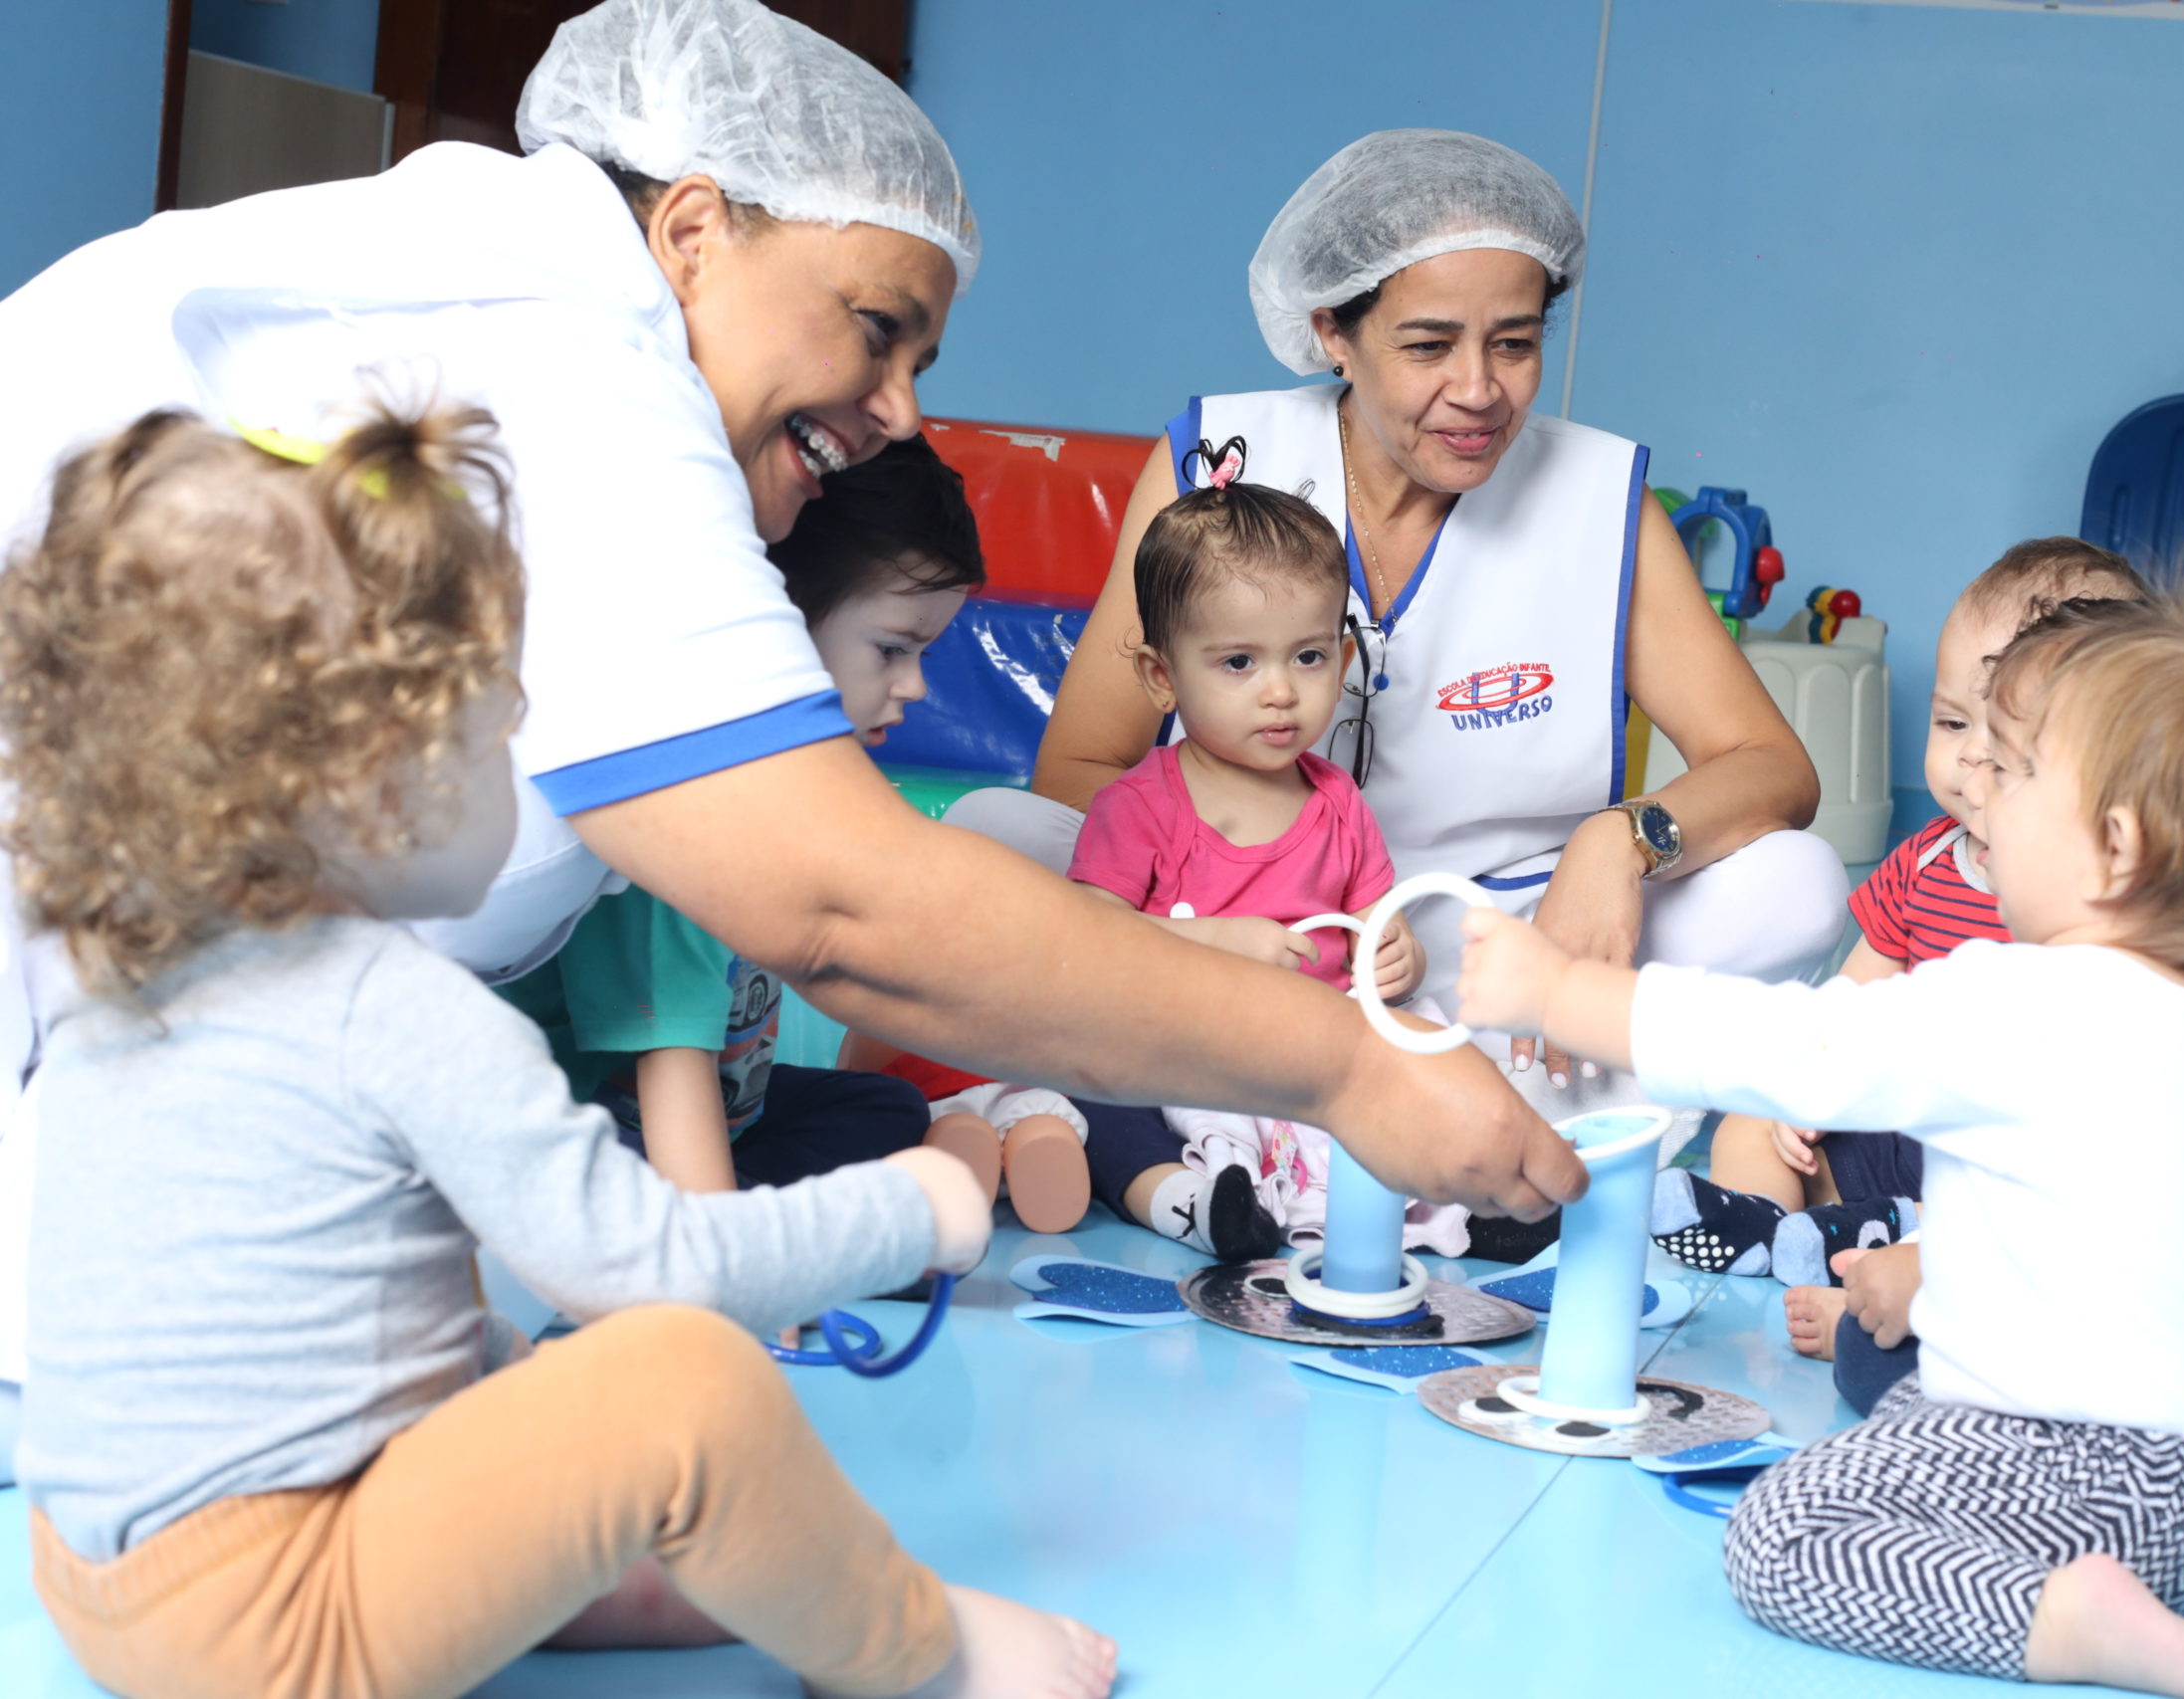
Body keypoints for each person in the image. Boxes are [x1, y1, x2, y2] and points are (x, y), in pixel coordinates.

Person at [0, 0, 1587, 1404]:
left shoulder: (489, 283)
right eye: (876, 329)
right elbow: (837, 905)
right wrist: (1345, 1065)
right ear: (694, 228)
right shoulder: (577, 362)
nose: (898, 410)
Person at [2, 404, 1115, 1699]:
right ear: (380, 773)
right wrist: (909, 1210)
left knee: (492, 1343)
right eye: (502, 728)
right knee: (688, 1376)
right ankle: (918, 1654)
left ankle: (577, 1586)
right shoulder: (388, 1006)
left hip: (100, 1587)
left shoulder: (120, 983)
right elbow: (656, 1275)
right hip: (277, 1621)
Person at [1453, 590, 2184, 1694]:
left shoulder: (2021, 1002)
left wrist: (1560, 991)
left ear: (2117, 848)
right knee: (1908, 1396)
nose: (1979, 793)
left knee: (1781, 1533)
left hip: (2069, 1482)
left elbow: (1784, 1044)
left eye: (2018, 772)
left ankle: (2067, 1622)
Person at [951, 127, 1847, 1224]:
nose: (1479, 390)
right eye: (1429, 345)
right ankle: (1416, 1122)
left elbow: (1773, 769)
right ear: (1332, 331)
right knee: (992, 834)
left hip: (1499, 953)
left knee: (1797, 883)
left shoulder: (1597, 495)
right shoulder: (1218, 459)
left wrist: (1616, 843)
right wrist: (1236, 893)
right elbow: (1080, 766)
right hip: (1248, 934)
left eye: (1514, 344)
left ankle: (1317, 1116)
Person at [503, 438, 1089, 1229]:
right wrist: (726, 1256)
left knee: (881, 1109)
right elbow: (669, 1065)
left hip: (729, 1119)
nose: (916, 685)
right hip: (599, 1132)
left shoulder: (799, 806)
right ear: (778, 626)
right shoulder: (685, 823)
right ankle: (732, 1222)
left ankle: (749, 1206)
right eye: (893, 649)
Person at [1655, 538, 2155, 1284]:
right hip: (1899, 1129)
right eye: (1952, 724)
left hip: (2015, 1161)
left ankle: (1892, 1236)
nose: (1972, 758)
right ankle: (1770, 1226)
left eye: (2010, 738)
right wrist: (1810, 1086)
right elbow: (1850, 1005)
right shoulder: (1923, 863)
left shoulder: (2115, 885)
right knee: (1755, 1119)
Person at [1062, 476, 1425, 1257]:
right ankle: (1189, 1202)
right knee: (1088, 1090)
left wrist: (1396, 954)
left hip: (1309, 1063)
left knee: (1425, 1053)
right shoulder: (1139, 807)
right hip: (1184, 1056)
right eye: (1237, 662)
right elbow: (1087, 942)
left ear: (1344, 658)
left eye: (1308, 656)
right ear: (1163, 678)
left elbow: (1376, 926)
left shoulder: (1337, 803)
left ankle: (1461, 1200)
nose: (1280, 692)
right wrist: (1217, 942)